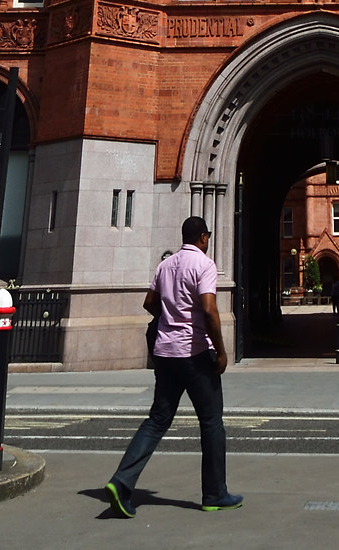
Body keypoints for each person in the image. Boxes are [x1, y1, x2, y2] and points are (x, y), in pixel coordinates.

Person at [105, 217, 240, 515]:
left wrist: (169, 318)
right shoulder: (204, 265)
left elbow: (149, 302)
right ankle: (215, 494)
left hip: (165, 353)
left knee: (157, 421)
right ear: (203, 237)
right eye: (207, 237)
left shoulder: (165, 265)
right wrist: (221, 351)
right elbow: (209, 310)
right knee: (211, 422)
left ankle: (121, 480)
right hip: (195, 353)